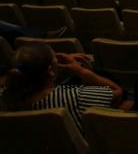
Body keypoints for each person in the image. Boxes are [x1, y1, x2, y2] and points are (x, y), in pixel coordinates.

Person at [0, 43, 128, 132]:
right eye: (55, 58)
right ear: (50, 70)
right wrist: (82, 71)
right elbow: (117, 93)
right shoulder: (76, 97)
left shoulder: (4, 99)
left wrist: (53, 65)